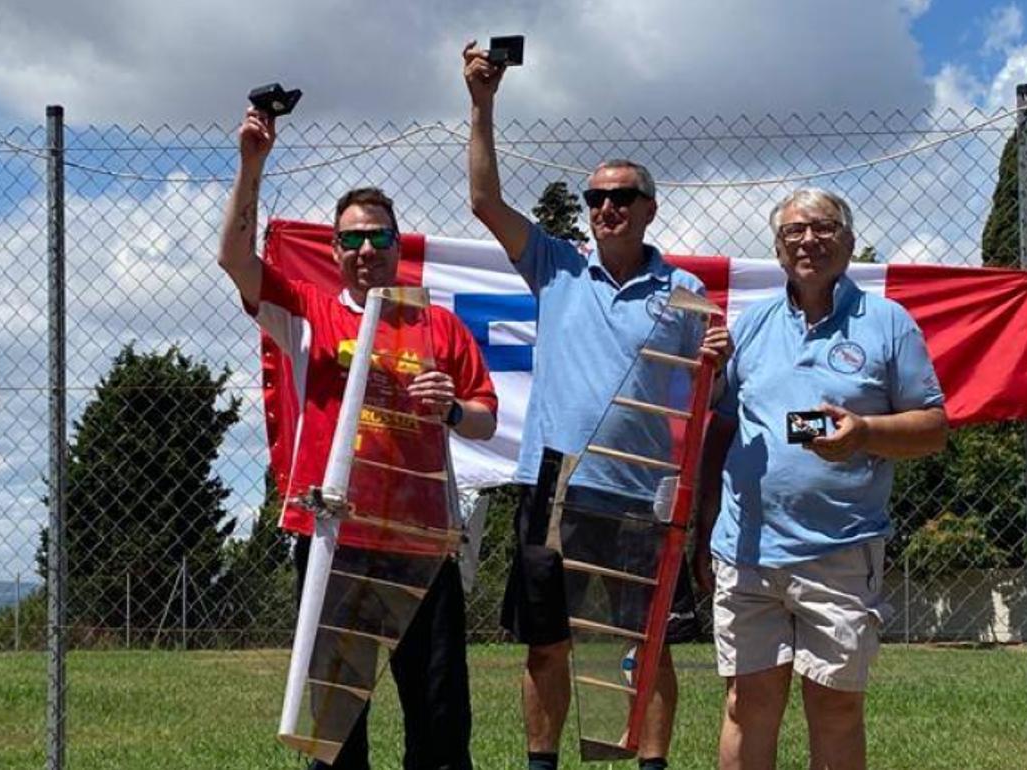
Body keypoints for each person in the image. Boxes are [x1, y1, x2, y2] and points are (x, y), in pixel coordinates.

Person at [463, 41, 732, 770]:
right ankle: (541, 764)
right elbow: (485, 201)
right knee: (546, 643)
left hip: (643, 494)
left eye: (621, 197)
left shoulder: (687, 298)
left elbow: (717, 397)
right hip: (554, 484)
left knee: (647, 649)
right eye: (595, 199)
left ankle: (649, 767)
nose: (606, 208)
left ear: (648, 208)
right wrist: (483, 105)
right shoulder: (555, 264)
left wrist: (720, 359)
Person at [217, 106, 498, 770]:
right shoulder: (307, 313)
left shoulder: (439, 326)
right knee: (336, 727)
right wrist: (251, 164)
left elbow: (485, 415)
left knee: (439, 717)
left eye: (379, 238)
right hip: (337, 541)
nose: (366, 251)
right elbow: (234, 257)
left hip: (422, 543)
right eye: (351, 241)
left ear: (398, 246)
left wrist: (454, 410)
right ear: (335, 253)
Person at [694, 188, 948, 770]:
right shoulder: (750, 329)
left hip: (840, 550)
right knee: (745, 704)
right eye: (793, 233)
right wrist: (703, 527)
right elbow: (719, 429)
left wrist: (863, 434)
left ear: (849, 241)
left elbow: (933, 427)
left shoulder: (888, 323)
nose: (808, 240)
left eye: (823, 228)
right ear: (779, 250)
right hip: (746, 551)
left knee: (835, 709)